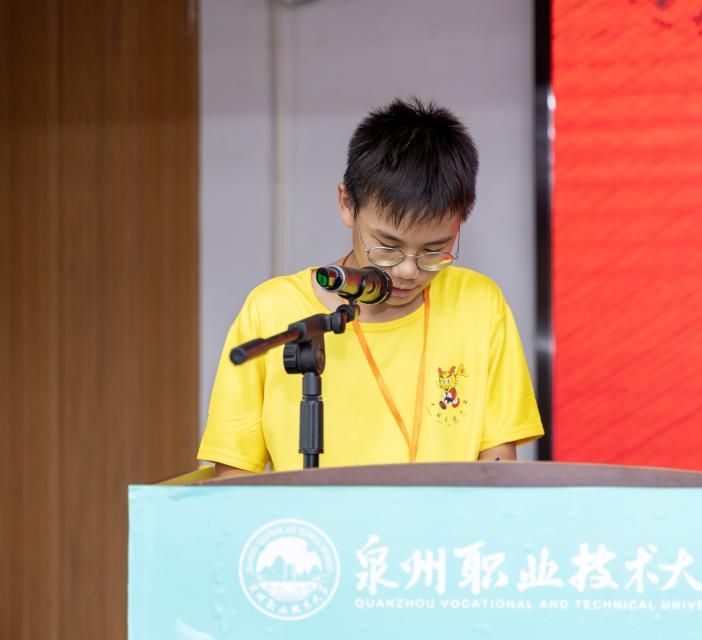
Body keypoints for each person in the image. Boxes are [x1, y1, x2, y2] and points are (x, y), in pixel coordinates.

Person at [199, 98, 544, 477]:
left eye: (434, 251)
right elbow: (234, 474)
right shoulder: (273, 310)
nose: (408, 271)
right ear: (347, 204)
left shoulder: (478, 305)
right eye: (388, 247)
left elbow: (497, 465)